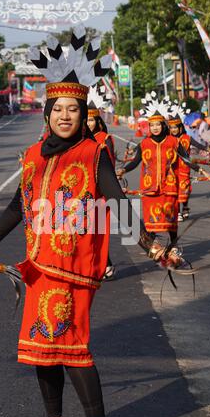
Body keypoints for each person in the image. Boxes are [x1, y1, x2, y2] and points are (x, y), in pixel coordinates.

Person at [0, 31, 184, 417]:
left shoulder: (92, 153)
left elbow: (116, 204)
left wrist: (152, 244)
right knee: (39, 348)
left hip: (74, 268)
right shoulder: (30, 157)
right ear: (47, 114)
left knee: (70, 342)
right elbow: (16, 207)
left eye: (73, 110)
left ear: (83, 114)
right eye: (58, 109)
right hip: (38, 267)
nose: (66, 116)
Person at [116, 92, 208, 248]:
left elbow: (186, 159)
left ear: (163, 125)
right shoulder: (145, 143)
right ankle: (153, 246)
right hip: (150, 188)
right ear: (149, 127)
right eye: (152, 125)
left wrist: (200, 170)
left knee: (170, 220)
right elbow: (136, 161)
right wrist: (123, 170)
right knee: (151, 220)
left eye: (158, 124)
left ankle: (173, 245)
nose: (155, 127)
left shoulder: (173, 141)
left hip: (169, 187)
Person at [87, 86, 116, 280]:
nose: (88, 123)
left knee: (97, 231)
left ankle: (107, 263)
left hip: (100, 192)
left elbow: (110, 165)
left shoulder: (104, 139)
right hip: (81, 192)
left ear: (97, 121)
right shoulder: (77, 139)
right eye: (85, 119)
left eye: (91, 119)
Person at [167, 101, 208, 221]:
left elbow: (200, 145)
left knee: (184, 191)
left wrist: (209, 150)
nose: (174, 130)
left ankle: (185, 207)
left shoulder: (187, 138)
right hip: (172, 169)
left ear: (180, 127)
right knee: (174, 190)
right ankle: (178, 211)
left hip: (185, 168)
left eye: (176, 127)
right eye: (172, 127)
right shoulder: (168, 139)